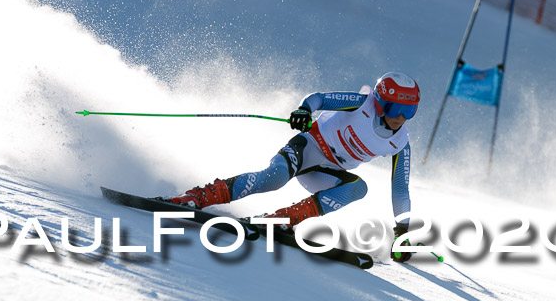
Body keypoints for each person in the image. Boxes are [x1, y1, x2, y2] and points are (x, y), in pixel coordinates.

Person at [162, 71, 418, 262]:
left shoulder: (399, 143)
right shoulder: (361, 103)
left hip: (327, 171)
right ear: (380, 102)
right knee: (273, 178)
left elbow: (400, 189)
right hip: (308, 147)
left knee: (358, 188)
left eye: (410, 111)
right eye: (396, 108)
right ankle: (196, 197)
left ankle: (281, 219)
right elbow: (317, 98)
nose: (400, 118)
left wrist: (402, 232)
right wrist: (304, 110)